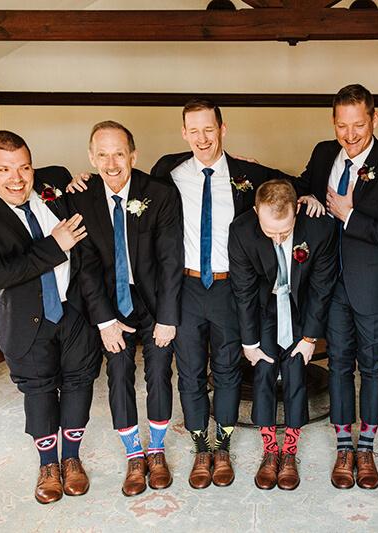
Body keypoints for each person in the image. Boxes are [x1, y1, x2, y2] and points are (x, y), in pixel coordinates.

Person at [149, 98, 323, 489]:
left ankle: (223, 446)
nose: (202, 138)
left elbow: (292, 185)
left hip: (232, 287)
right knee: (191, 372)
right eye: (193, 130)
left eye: (209, 129)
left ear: (222, 129)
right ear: (183, 134)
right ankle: (200, 447)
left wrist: (307, 197)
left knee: (227, 371)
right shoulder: (167, 171)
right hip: (187, 287)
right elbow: (127, 184)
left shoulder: (247, 172)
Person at [0, 131, 100, 504]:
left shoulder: (54, 179)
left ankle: (71, 459)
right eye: (3, 169)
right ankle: (48, 465)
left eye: (24, 167)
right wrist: (54, 246)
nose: (17, 178)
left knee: (81, 381)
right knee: (39, 388)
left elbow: (100, 183)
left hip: (74, 309)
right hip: (27, 319)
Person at [295, 84, 378, 490]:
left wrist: (349, 215)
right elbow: (302, 184)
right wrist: (305, 193)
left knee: (375, 366)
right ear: (333, 122)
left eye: (358, 125)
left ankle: (367, 447)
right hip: (329, 285)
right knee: (339, 363)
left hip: (373, 287)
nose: (349, 135)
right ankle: (344, 445)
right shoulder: (322, 153)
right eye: (342, 126)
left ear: (374, 119)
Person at [69, 121, 183, 497]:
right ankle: (135, 454)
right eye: (102, 154)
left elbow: (170, 260)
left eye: (119, 153)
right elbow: (84, 266)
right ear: (91, 157)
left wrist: (168, 318)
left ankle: (157, 448)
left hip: (153, 302)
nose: (111, 162)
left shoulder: (161, 194)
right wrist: (104, 321)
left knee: (159, 372)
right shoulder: (80, 198)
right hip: (109, 303)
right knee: (118, 375)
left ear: (133, 155)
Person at [228, 179, 338, 490]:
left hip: (301, 306)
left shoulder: (320, 230)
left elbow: (321, 287)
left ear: (297, 211)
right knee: (262, 368)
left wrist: (309, 339)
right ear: (255, 212)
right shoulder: (241, 230)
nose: (277, 238)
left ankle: (288, 451)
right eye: (270, 231)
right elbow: (244, 290)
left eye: (285, 232)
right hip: (264, 307)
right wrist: (249, 342)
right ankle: (269, 450)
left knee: (295, 370)